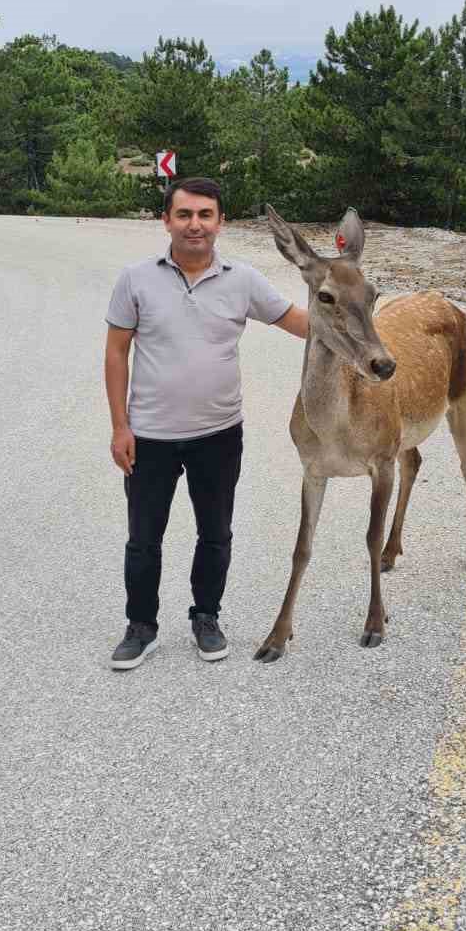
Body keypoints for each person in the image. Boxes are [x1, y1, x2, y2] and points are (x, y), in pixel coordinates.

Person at [104, 176, 308, 669]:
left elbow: (298, 322)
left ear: (221, 222)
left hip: (219, 435)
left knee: (215, 533)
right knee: (143, 538)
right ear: (166, 220)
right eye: (184, 215)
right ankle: (142, 626)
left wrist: (357, 321)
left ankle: (206, 616)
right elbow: (116, 353)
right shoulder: (136, 279)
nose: (195, 225)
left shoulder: (242, 279)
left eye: (205, 215)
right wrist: (119, 427)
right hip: (150, 436)